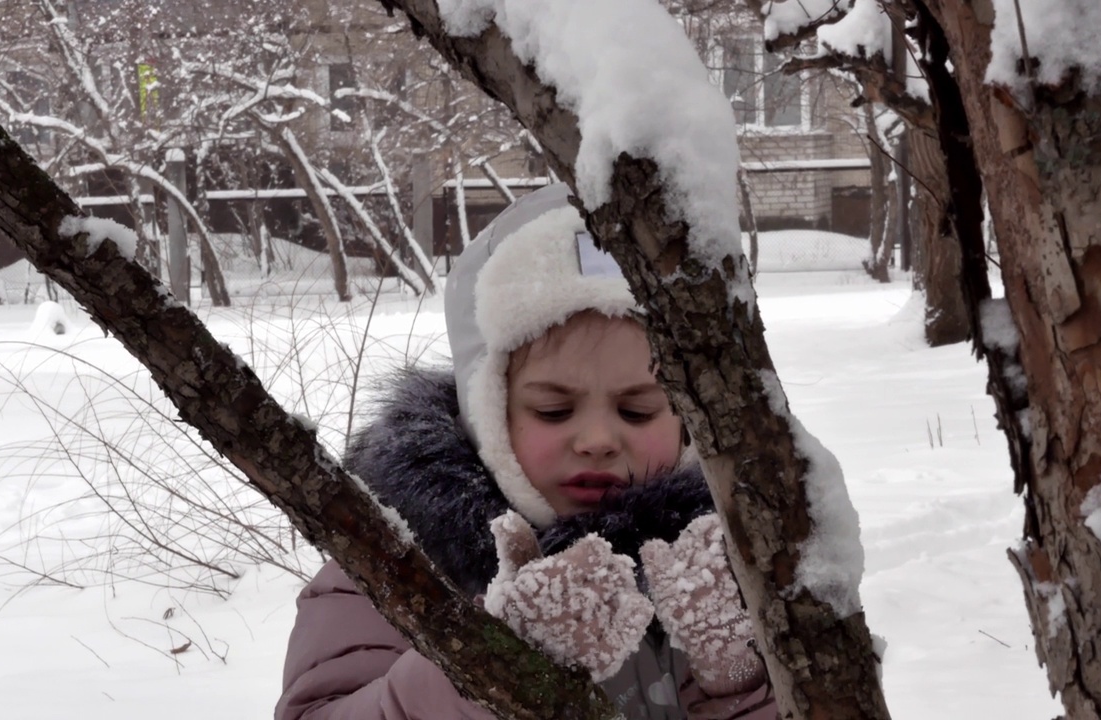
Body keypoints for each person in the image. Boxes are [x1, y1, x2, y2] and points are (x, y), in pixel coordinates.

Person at [275, 184, 776, 720]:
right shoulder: (392, 563)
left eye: (637, 410)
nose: (598, 440)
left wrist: (737, 683)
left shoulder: (733, 564)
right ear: (488, 416)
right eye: (554, 411)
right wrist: (489, 669)